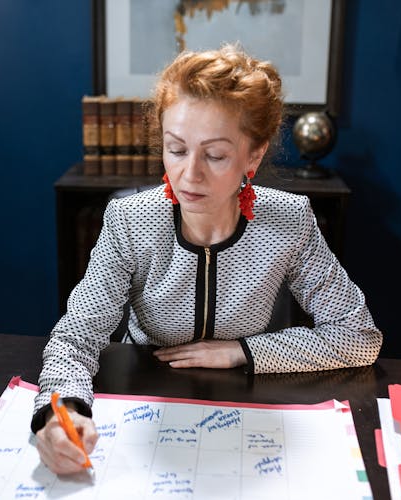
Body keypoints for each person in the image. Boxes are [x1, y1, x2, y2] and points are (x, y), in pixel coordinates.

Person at [32, 44, 382, 475]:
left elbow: (359, 336)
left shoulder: (289, 221)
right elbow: (74, 339)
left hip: (250, 411)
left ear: (253, 156)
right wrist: (59, 412)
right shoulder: (129, 220)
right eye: (176, 149)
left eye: (215, 155)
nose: (190, 174)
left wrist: (243, 351)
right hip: (144, 403)